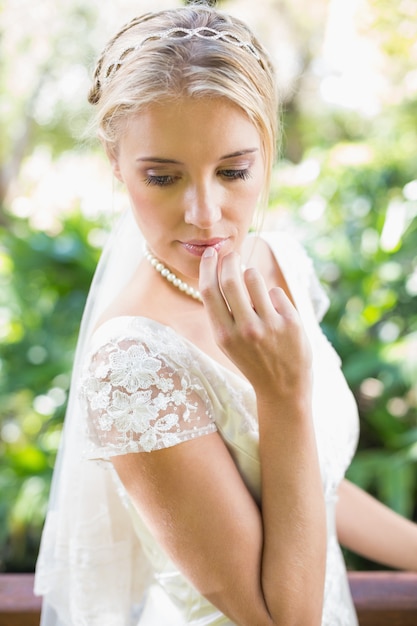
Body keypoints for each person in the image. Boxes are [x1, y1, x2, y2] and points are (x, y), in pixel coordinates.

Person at [34, 3, 417, 625]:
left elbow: (310, 488)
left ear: (268, 149)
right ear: (115, 163)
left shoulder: (276, 263)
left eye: (234, 171)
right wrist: (283, 393)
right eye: (163, 177)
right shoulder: (131, 365)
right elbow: (284, 619)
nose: (206, 213)